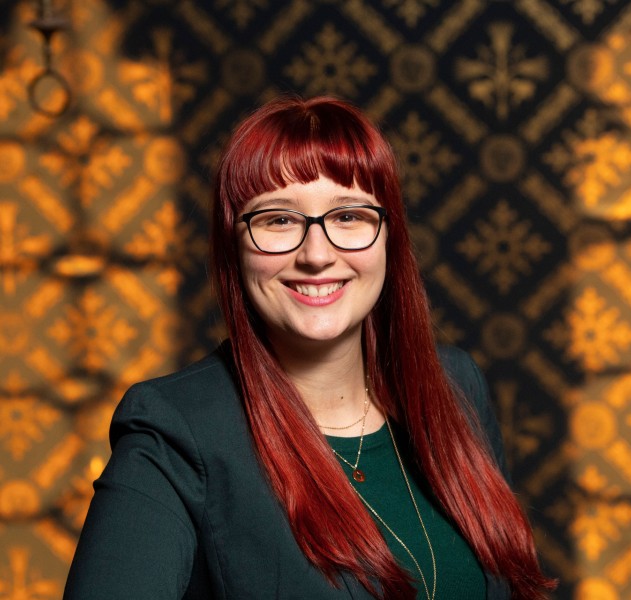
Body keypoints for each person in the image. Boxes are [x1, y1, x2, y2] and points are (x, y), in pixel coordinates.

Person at [64, 96, 555, 599]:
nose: (317, 255)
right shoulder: (176, 428)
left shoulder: (455, 385)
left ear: (390, 235)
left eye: (348, 216)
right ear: (234, 246)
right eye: (277, 220)